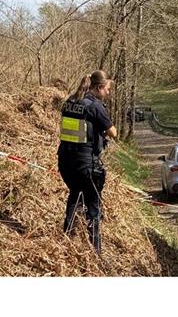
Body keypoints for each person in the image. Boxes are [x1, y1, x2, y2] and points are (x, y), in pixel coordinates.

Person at [57, 70, 117, 255]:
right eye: (107, 89)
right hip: (85, 165)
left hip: (65, 162)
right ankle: (95, 252)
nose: (108, 93)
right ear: (99, 88)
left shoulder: (70, 101)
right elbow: (113, 132)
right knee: (93, 207)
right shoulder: (94, 106)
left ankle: (66, 242)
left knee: (75, 196)